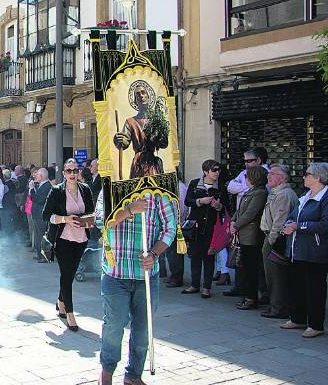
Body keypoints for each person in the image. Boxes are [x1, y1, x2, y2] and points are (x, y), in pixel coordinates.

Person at [95, 186, 177, 385]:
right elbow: (100, 221)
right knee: (114, 325)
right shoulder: (110, 188)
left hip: (146, 275)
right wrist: (129, 209)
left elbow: (169, 228)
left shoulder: (158, 194)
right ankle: (107, 371)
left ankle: (133, 375)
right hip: (116, 273)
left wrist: (155, 253)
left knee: (142, 330)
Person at [42, 159, 95, 331]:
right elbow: (45, 215)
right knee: (66, 274)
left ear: (78, 172)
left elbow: (91, 211)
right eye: (69, 171)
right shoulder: (57, 191)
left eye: (75, 170)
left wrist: (88, 221)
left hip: (81, 238)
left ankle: (60, 301)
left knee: (70, 273)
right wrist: (65, 219)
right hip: (63, 238)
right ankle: (70, 313)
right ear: (63, 173)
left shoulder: (85, 189)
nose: (72, 174)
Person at [281, 162, 328, 337]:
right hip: (297, 249)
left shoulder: (325, 197)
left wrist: (298, 226)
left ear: (318, 177)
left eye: (307, 174)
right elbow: (293, 216)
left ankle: (315, 325)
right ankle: (297, 318)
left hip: (316, 251)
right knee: (297, 285)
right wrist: (288, 224)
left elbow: (324, 225)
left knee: (315, 288)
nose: (304, 177)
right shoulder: (305, 195)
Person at [224, 148, 269, 298]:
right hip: (242, 231)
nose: (246, 164)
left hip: (251, 233)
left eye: (250, 161)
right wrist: (234, 221)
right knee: (242, 263)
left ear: (259, 161)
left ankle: (255, 296)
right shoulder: (249, 185)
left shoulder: (260, 189)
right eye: (245, 161)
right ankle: (243, 290)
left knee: (253, 266)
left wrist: (236, 224)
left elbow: (250, 213)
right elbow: (231, 188)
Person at [182, 160, 230, 298]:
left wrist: (218, 206)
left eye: (218, 170)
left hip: (212, 226)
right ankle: (194, 284)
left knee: (209, 256)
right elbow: (187, 201)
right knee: (195, 256)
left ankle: (207, 287)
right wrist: (200, 201)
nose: (217, 173)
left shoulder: (221, 187)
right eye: (214, 170)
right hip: (196, 226)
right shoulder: (194, 183)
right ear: (205, 172)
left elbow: (226, 208)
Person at [259, 164, 298, 319]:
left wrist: (271, 240)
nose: (269, 176)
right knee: (273, 275)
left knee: (276, 276)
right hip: (271, 236)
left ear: (282, 178)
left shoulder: (284, 195)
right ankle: (276, 306)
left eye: (273, 174)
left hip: (275, 239)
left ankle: (278, 308)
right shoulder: (276, 193)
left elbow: (279, 222)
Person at [113, 82, 169, 178]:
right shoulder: (130, 122)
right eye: (138, 94)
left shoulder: (155, 120)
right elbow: (124, 143)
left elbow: (164, 144)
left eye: (143, 93)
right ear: (135, 101)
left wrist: (160, 134)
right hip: (138, 164)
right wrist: (118, 139)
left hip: (152, 163)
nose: (141, 96)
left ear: (148, 96)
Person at [30, 168, 52, 263]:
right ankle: (39, 254)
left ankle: (44, 256)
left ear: (42, 176)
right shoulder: (42, 185)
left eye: (37, 175)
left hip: (41, 214)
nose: (35, 176)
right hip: (37, 213)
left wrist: (31, 189)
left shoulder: (47, 186)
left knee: (42, 235)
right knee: (39, 235)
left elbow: (38, 200)